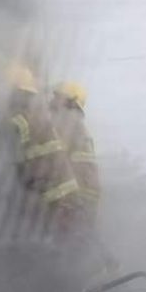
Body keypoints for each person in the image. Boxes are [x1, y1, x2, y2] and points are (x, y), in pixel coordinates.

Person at [5, 64, 80, 236]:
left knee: (63, 244)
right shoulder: (39, 117)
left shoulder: (17, 119)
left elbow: (13, 160)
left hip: (50, 197)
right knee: (73, 241)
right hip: (62, 194)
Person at [49, 81, 100, 226]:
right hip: (81, 205)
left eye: (57, 97)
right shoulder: (78, 127)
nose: (51, 101)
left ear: (70, 102)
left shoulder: (67, 124)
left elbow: (53, 159)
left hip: (73, 205)